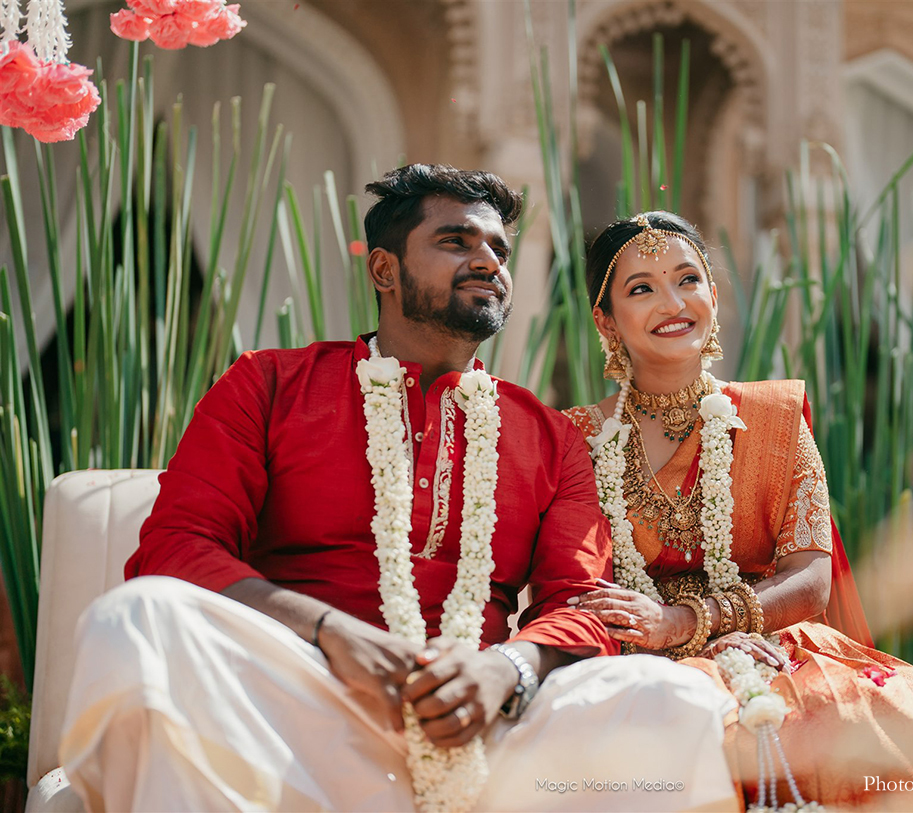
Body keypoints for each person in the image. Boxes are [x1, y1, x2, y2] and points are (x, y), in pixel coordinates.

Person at [55, 169, 738, 812]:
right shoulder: (269, 386)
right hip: (296, 702)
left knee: (668, 697)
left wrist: (506, 670)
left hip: (480, 721)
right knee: (136, 617)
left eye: (498, 249)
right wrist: (330, 632)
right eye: (455, 241)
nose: (488, 262)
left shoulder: (548, 435)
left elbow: (580, 603)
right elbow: (176, 548)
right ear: (384, 268)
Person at [564, 211, 913, 810]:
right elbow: (576, 582)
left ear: (712, 292)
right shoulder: (575, 437)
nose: (672, 301)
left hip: (769, 638)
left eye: (688, 279)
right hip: (635, 653)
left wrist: (696, 622)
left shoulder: (775, 417)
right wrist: (659, 639)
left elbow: (811, 578)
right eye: (641, 288)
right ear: (606, 319)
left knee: (875, 711)